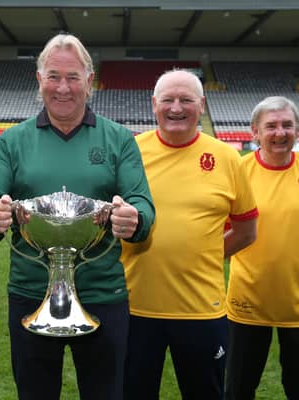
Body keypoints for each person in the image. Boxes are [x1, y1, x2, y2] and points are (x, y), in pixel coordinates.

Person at [0, 33, 155, 400]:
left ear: (90, 81)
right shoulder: (12, 142)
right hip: (30, 292)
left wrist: (134, 218)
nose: (63, 88)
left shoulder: (119, 139)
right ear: (38, 80)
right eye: (53, 76)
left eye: (73, 77)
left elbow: (142, 204)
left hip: (103, 293)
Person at [120, 69, 259, 400]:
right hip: (133, 308)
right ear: (154, 104)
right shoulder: (128, 152)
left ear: (203, 104)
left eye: (186, 100)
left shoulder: (227, 158)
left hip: (202, 309)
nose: (176, 108)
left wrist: (204, 253)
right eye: (167, 100)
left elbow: (246, 231)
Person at [224, 96, 299, 400]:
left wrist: (298, 262)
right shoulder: (237, 171)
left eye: (287, 125)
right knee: (238, 388)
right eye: (271, 125)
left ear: (298, 129)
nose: (280, 132)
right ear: (255, 131)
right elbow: (223, 234)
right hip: (246, 301)